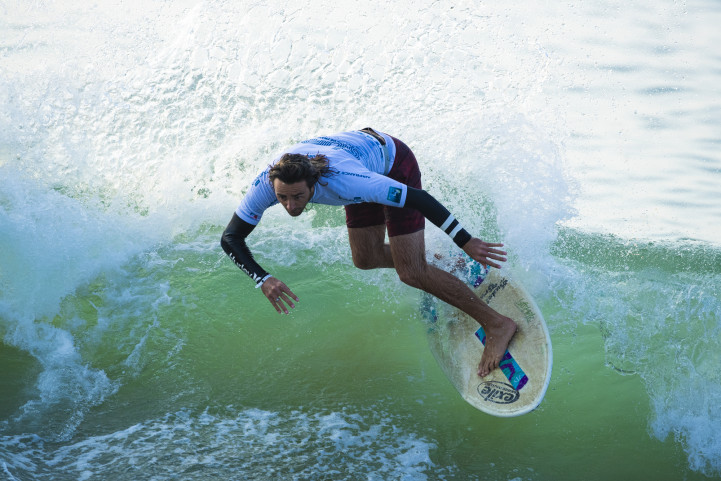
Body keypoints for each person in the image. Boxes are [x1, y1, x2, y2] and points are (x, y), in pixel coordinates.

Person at [221, 128, 517, 378]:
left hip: (392, 163)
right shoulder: (267, 183)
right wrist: (263, 279)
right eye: (282, 198)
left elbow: (420, 199)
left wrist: (465, 240)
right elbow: (231, 237)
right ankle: (446, 265)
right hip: (360, 161)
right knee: (365, 258)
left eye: (298, 196)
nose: (290, 206)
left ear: (315, 184)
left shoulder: (346, 181)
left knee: (411, 272)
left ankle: (497, 324)